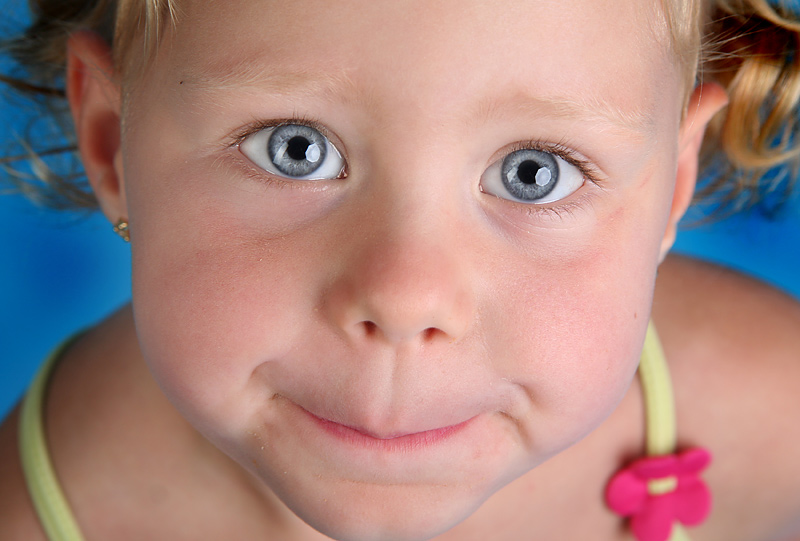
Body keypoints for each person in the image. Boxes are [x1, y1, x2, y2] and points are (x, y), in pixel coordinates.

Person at [1, 0, 799, 539]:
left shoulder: (766, 406)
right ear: (111, 142)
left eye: (534, 170)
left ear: (672, 182)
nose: (406, 295)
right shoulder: (33, 512)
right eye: (294, 148)